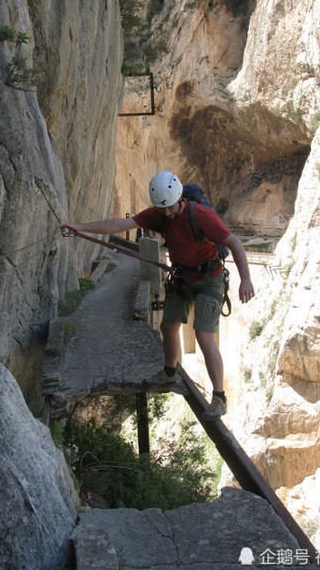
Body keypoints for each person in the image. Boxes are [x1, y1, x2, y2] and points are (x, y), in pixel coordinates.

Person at [62, 171, 255, 420]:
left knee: (204, 335)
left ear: (179, 199)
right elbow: (119, 225)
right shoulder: (159, 214)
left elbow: (235, 243)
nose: (167, 214)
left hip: (209, 279)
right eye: (162, 209)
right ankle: (169, 372)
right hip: (183, 277)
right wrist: (79, 228)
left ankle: (219, 398)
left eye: (170, 208)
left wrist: (246, 279)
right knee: (168, 326)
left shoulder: (201, 216)